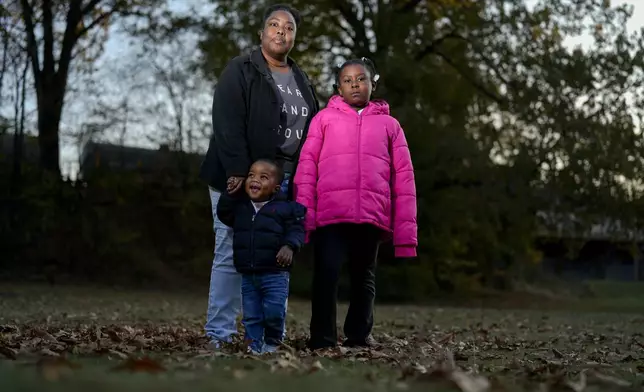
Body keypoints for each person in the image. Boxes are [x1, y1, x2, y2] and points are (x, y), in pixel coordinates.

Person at [198, 3, 319, 348]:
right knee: (228, 253)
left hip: (283, 183)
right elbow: (226, 122)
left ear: (294, 36)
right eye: (274, 24)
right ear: (261, 33)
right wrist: (238, 170)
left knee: (275, 258)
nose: (282, 31)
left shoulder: (301, 79)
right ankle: (218, 335)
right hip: (240, 177)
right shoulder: (241, 69)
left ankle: (268, 338)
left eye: (289, 27)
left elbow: (311, 130)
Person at [293, 58, 418, 350]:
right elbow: (307, 167)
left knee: (364, 279)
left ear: (373, 83)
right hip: (330, 215)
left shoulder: (390, 125)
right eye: (347, 80)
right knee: (326, 275)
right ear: (338, 87)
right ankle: (322, 338)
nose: (354, 85)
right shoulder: (323, 119)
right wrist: (303, 215)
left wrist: (405, 236)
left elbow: (404, 178)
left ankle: (358, 337)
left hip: (371, 216)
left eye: (360, 79)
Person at [216, 159, 306, 354]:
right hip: (249, 274)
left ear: (275, 188)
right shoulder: (242, 208)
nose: (255, 179)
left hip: (275, 274)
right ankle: (253, 346)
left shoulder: (285, 209)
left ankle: (273, 341)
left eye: (263, 177)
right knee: (251, 315)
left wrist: (289, 247)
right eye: (251, 175)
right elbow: (223, 213)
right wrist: (229, 193)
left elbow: (297, 231)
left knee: (273, 312)